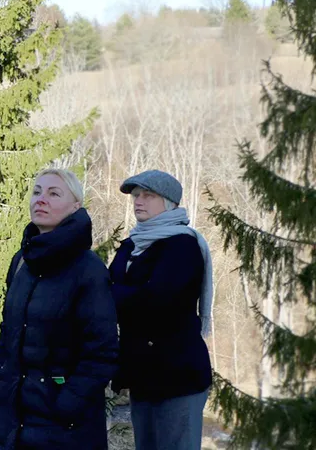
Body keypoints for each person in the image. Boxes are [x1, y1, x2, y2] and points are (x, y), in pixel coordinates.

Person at [0, 169, 118, 450]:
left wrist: (66, 404)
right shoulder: (21, 261)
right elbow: (8, 331)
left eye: (54, 193)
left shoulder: (89, 270)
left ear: (75, 206)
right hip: (10, 418)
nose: (41, 199)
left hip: (64, 428)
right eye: (37, 192)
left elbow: (102, 353)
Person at [109, 170, 213, 450]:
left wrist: (113, 295)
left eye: (148, 195)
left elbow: (156, 301)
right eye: (136, 195)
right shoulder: (132, 244)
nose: (138, 201)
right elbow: (110, 289)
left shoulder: (183, 245)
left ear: (169, 203)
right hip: (143, 375)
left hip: (179, 377)